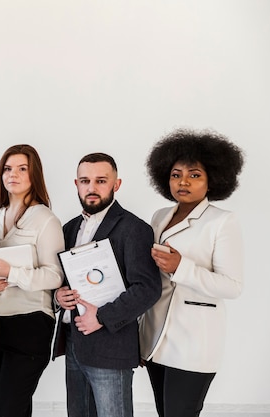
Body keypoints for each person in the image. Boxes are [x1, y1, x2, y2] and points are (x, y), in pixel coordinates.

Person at [139, 129, 244, 417]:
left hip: (193, 342)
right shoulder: (160, 216)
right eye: (176, 174)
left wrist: (180, 268)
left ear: (213, 180)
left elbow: (232, 286)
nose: (183, 181)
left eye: (194, 175)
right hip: (155, 336)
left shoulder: (222, 222)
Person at [52, 152, 161, 417]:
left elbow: (147, 289)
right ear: (76, 184)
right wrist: (58, 297)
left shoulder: (134, 228)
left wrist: (101, 316)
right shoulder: (68, 229)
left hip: (111, 346)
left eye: (101, 180)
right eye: (85, 180)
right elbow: (62, 280)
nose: (91, 188)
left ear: (116, 184)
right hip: (73, 341)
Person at [0, 144, 64, 417]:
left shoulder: (46, 220)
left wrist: (12, 274)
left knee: (10, 409)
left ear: (33, 174)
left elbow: (54, 275)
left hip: (30, 323)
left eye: (22, 169)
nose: (12, 174)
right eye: (7, 168)